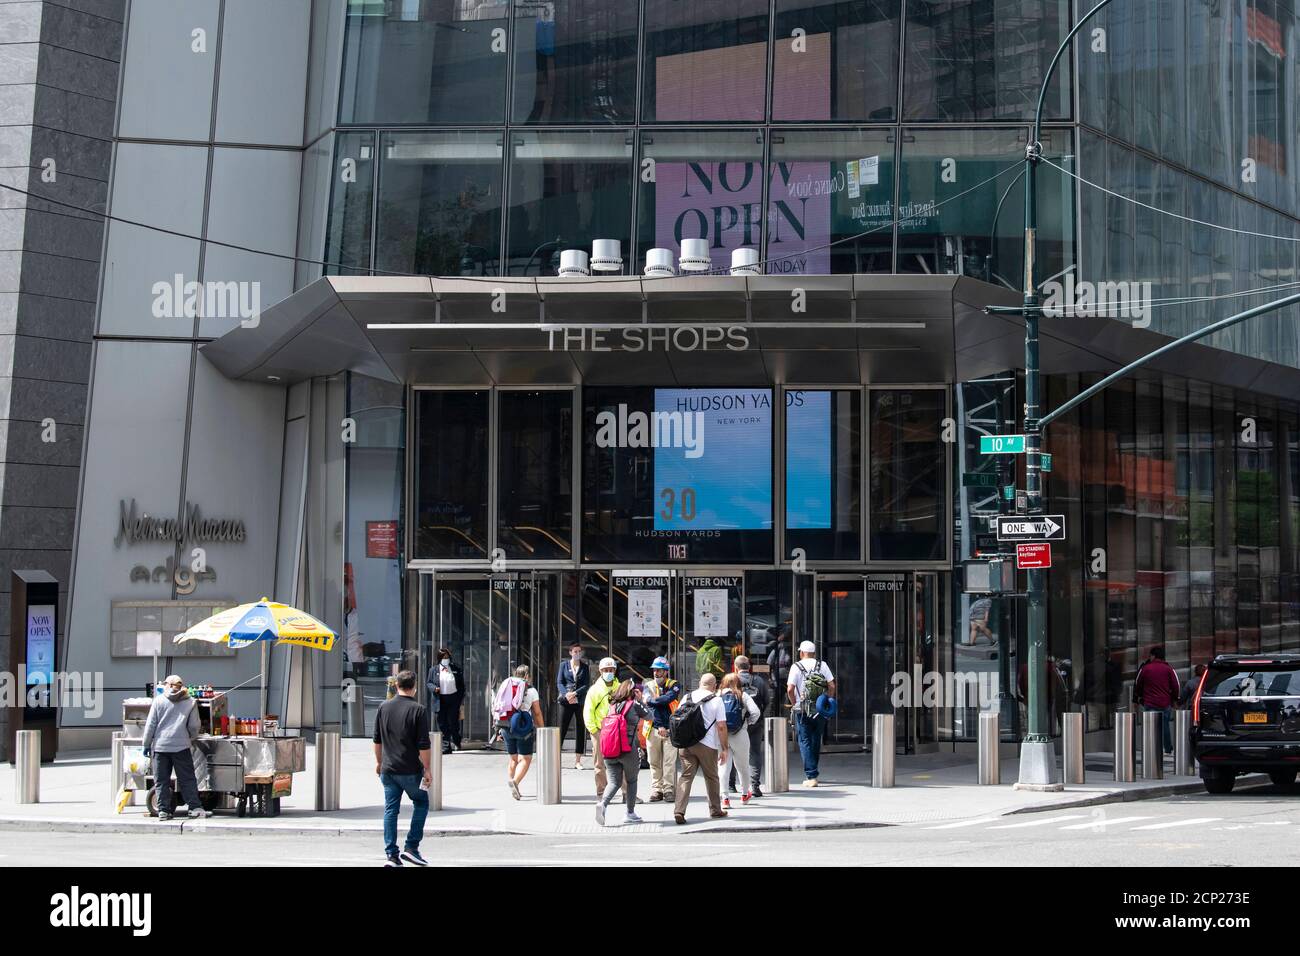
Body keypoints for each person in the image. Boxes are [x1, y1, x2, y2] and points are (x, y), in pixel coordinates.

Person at [372, 669, 431, 866]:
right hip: (410, 769)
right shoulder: (418, 710)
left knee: (390, 810)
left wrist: (379, 762)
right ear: (414, 687)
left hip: (388, 769)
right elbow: (424, 744)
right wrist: (428, 769)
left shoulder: (383, 707)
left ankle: (391, 855)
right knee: (421, 802)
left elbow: (377, 740)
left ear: (396, 686)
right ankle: (412, 847)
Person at [142, 674, 206, 821]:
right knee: (187, 779)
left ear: (167, 685)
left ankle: (164, 811)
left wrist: (146, 744)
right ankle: (194, 808)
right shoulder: (190, 702)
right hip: (181, 747)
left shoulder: (158, 701)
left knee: (161, 781)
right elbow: (194, 726)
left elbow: (150, 725)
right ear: (181, 686)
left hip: (160, 747)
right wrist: (190, 737)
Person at [673, 673, 729, 824]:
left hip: (686, 744)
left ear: (700, 684)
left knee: (686, 776)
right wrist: (724, 748)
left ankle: (679, 810)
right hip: (707, 745)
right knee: (711, 777)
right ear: (714, 686)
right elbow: (722, 726)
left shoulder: (686, 697)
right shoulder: (717, 700)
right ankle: (715, 810)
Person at [595, 679, 649, 826]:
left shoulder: (612, 706)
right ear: (632, 692)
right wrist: (640, 700)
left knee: (614, 782)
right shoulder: (635, 705)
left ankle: (603, 804)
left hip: (610, 751)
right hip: (628, 750)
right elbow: (650, 716)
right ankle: (630, 813)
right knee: (631, 781)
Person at [787, 641, 836, 788]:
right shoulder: (823, 665)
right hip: (820, 709)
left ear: (801, 653)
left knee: (804, 740)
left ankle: (811, 775)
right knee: (815, 739)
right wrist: (827, 700)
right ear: (814, 653)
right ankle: (813, 772)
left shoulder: (796, 667)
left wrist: (794, 702)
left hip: (802, 709)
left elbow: (790, 689)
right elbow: (832, 685)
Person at [493, 665, 545, 800]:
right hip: (522, 727)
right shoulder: (531, 690)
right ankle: (515, 782)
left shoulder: (507, 686)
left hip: (505, 726)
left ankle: (512, 783)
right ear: (527, 676)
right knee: (526, 758)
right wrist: (542, 728)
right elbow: (537, 712)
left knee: (513, 758)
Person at [718, 673, 761, 809]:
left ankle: (725, 798)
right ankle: (744, 795)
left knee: (723, 766)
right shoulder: (742, 695)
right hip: (740, 734)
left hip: (721, 735)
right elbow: (756, 712)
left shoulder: (717, 695)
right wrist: (747, 722)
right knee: (742, 767)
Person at [643, 656, 681, 802]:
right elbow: (652, 708)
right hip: (653, 729)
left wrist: (652, 701)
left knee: (669, 761)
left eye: (659, 670)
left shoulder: (674, 684)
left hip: (671, 730)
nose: (656, 673)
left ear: (665, 672)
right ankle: (656, 789)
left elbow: (666, 700)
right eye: (654, 670)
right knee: (654, 761)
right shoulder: (648, 685)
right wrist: (660, 726)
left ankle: (669, 789)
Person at [733, 655, 769, 797]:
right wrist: (759, 717)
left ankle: (731, 785)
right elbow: (767, 701)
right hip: (755, 723)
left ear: (736, 667)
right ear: (750, 667)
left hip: (736, 725)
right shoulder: (759, 681)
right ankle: (755, 786)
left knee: (732, 752)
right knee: (754, 752)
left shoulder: (731, 680)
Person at [583, 657, 619, 798]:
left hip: (617, 730)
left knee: (620, 762)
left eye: (611, 670)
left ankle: (626, 792)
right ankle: (601, 791)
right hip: (599, 730)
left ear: (615, 671)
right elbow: (588, 711)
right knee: (599, 762)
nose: (608, 672)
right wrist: (593, 730)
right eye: (606, 670)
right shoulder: (594, 690)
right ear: (600, 671)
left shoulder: (620, 687)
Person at [1135, 645, 1181, 754]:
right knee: (1165, 725)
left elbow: (1138, 684)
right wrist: (1175, 699)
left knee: (1150, 726)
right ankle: (1168, 748)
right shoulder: (1169, 669)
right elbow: (1176, 685)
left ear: (1153, 656)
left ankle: (1151, 747)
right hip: (1165, 702)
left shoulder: (1145, 669)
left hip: (1150, 702)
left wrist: (1140, 697)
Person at [556, 643, 589, 769]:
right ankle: (557, 758)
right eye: (575, 651)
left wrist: (575, 693)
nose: (577, 653)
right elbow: (559, 682)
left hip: (579, 701)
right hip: (566, 701)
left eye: (579, 651)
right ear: (570, 652)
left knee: (580, 728)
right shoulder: (563, 665)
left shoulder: (585, 667)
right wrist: (567, 694)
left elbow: (586, 685)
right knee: (562, 728)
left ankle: (578, 760)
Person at [426, 648, 464, 754]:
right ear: (439, 658)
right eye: (443, 657)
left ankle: (456, 739)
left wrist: (459, 698)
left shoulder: (455, 668)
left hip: (453, 699)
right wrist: (434, 688)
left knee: (453, 722)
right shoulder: (433, 670)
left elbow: (461, 685)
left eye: (447, 657)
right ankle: (446, 746)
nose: (445, 659)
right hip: (440, 699)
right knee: (442, 723)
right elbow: (429, 683)